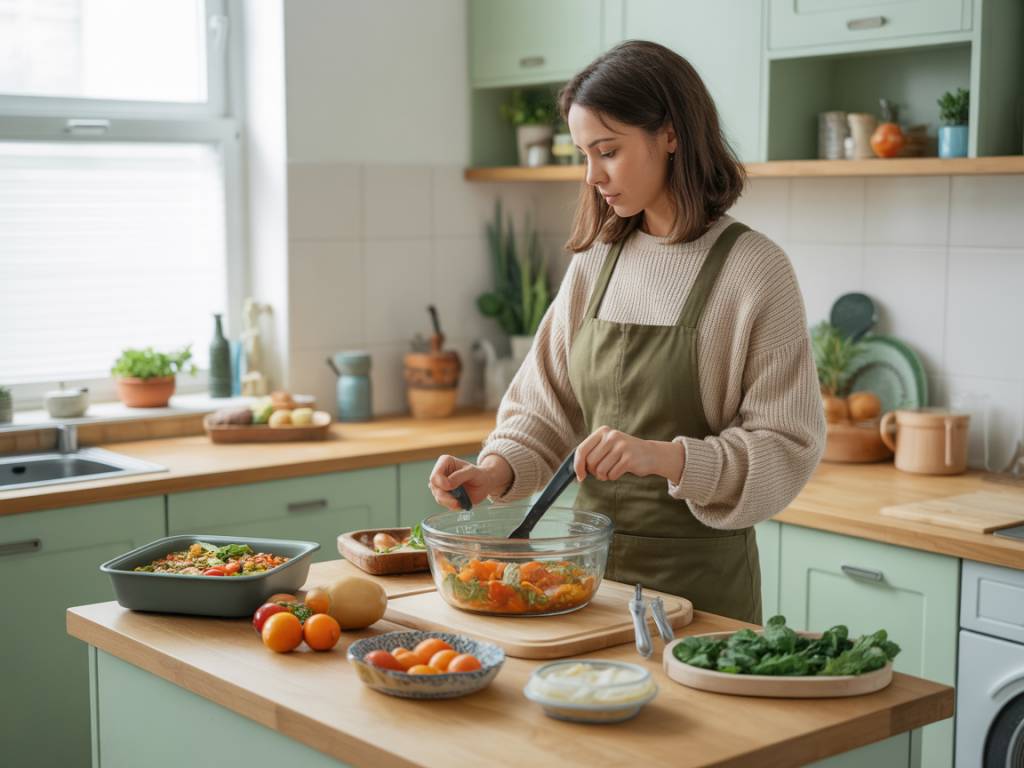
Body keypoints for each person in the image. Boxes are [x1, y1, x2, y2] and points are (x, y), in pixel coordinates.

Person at [428, 41, 825, 623]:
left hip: (703, 598)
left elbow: (787, 445)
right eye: (585, 154)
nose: (593, 177)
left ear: (670, 134)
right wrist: (495, 472)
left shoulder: (754, 270)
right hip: (585, 588)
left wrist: (667, 459)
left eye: (608, 151)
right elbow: (545, 409)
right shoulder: (597, 262)